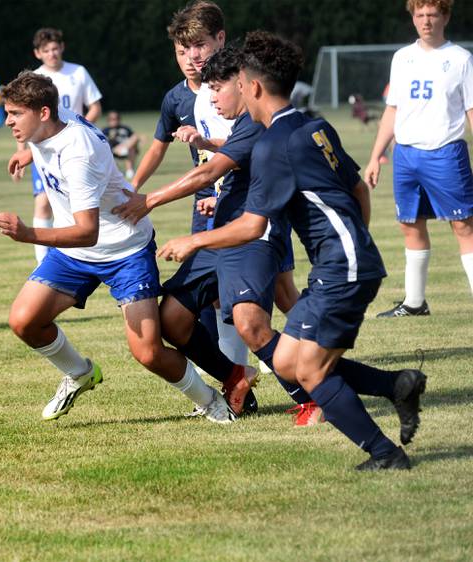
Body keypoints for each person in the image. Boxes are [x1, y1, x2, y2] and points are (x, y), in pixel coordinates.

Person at [158, 31, 427, 470]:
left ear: (256, 87)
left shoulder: (270, 146)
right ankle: (397, 384)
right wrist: (352, 238)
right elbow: (356, 187)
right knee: (285, 360)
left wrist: (194, 239)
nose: (235, 90)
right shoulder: (312, 125)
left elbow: (251, 225)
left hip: (344, 268)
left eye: (239, 83)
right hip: (343, 261)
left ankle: (386, 454)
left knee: (310, 373)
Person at [0, 71, 234, 423]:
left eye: (15, 115)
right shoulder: (55, 120)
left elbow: (86, 232)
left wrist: (28, 234)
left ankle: (212, 401)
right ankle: (79, 373)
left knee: (148, 352)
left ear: (43, 113)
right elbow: (53, 125)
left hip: (124, 250)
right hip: (78, 254)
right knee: (24, 321)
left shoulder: (77, 156)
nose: (8, 122)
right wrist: (28, 151)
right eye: (8, 113)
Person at [114, 45, 313, 420]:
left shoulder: (260, 120)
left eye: (217, 89)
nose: (211, 99)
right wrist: (218, 200)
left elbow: (209, 172)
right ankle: (234, 375)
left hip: (249, 236)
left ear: (243, 84)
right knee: (172, 317)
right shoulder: (245, 122)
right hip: (223, 228)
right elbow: (236, 160)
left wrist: (150, 200)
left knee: (251, 324)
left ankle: (312, 394)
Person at [364, 0, 473, 317]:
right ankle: (414, 303)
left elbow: (470, 111)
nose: (426, 21)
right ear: (413, 18)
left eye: (433, 15)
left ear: (446, 17)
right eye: (420, 15)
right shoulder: (403, 58)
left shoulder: (461, 59)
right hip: (406, 155)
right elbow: (392, 110)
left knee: (464, 226)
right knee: (409, 224)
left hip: (446, 153)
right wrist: (375, 156)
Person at [29, 27, 103, 264]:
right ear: (38, 53)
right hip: (44, 150)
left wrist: (80, 128)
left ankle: (84, 256)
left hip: (75, 149)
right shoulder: (34, 78)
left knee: (78, 205)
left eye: (55, 48)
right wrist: (22, 151)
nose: (52, 53)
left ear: (62, 48)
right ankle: (43, 263)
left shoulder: (78, 72)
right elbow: (27, 118)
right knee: (43, 202)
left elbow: (95, 107)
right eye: (46, 50)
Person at [101, 111, 140, 179]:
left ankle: (129, 171)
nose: (114, 121)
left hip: (127, 148)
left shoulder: (125, 128)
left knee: (134, 142)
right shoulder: (105, 130)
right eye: (111, 119)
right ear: (108, 120)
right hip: (112, 151)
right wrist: (114, 149)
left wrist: (123, 146)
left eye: (116, 118)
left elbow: (134, 137)